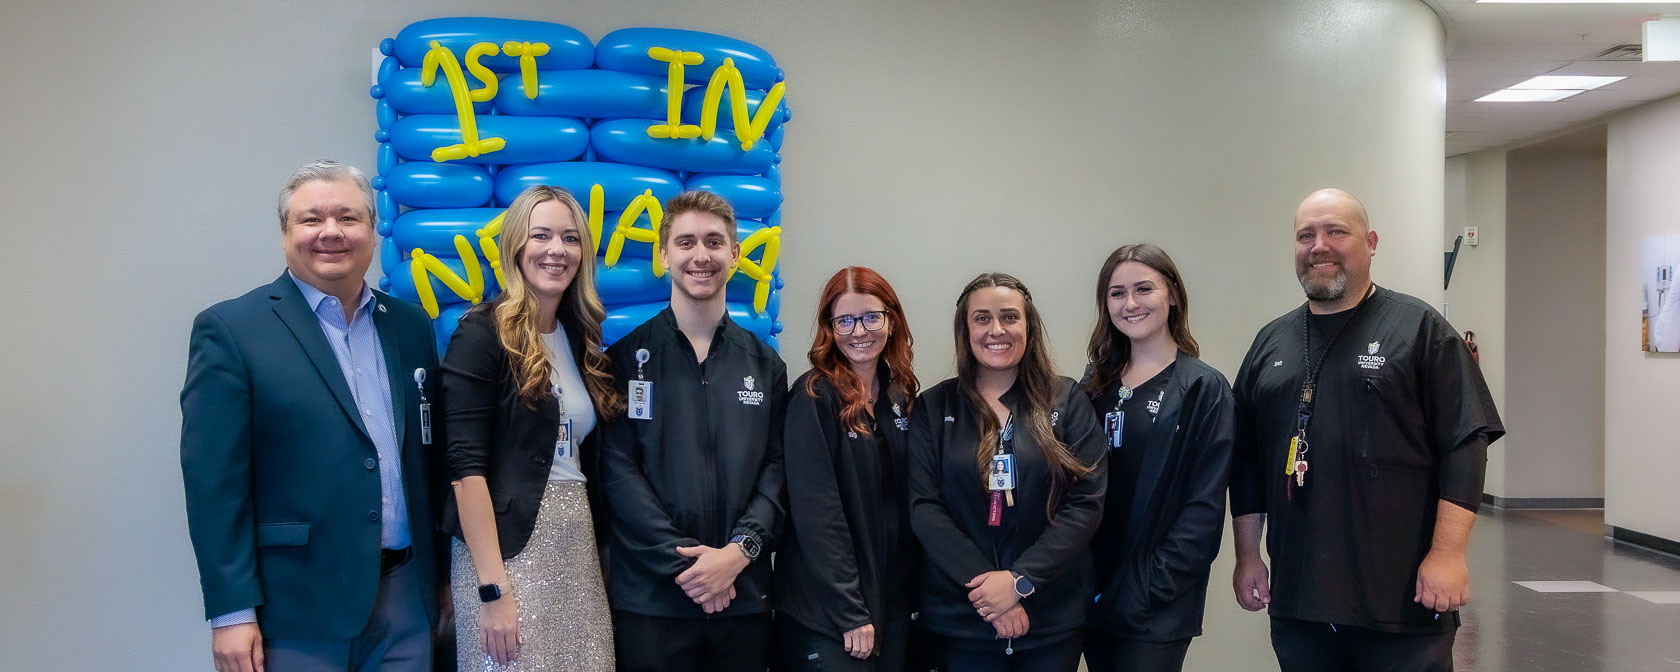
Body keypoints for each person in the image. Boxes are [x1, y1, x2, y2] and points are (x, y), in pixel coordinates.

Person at [180, 160, 443, 672]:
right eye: (311, 219)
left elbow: (426, 458)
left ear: (372, 231)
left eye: (348, 218)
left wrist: (440, 581)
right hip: (294, 609)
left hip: (406, 600)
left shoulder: (410, 326)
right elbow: (214, 484)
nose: (331, 232)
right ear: (284, 234)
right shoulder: (232, 330)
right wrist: (231, 612)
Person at [1229, 188, 1505, 671]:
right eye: (1306, 235)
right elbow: (1247, 460)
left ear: (1370, 242)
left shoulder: (1420, 330)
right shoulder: (1272, 341)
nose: (1319, 245)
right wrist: (1248, 556)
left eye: (1336, 231)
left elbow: (1465, 445)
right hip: (1301, 596)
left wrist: (1448, 556)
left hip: (1402, 596)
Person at [600, 190, 788, 672]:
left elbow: (777, 471)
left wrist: (736, 555)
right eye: (685, 242)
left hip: (743, 597)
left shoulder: (766, 366)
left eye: (713, 241)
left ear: (735, 254)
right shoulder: (622, 361)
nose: (700, 255)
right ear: (663, 256)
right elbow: (618, 476)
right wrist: (691, 569)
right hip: (653, 602)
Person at [439, 186, 619, 671]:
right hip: (505, 553)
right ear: (516, 246)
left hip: (576, 543)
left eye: (569, 238)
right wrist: (492, 588)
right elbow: (464, 469)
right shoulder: (480, 332)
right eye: (541, 235)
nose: (556, 250)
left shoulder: (581, 336)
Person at [908, 272, 1107, 672]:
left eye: (1009, 317)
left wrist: (1020, 581)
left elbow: (1086, 502)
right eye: (982, 318)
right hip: (962, 619)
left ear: (1028, 327)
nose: (997, 330)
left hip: (1051, 616)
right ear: (965, 331)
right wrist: (991, 590)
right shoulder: (933, 407)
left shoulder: (1068, 400)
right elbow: (924, 507)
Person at [1080, 244, 1233, 672]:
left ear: (1172, 296)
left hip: (1155, 601)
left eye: (1143, 288)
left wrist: (1149, 587)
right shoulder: (1093, 385)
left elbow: (1203, 509)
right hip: (1093, 591)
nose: (1130, 303)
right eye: (1116, 292)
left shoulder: (1204, 389)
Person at [774, 267, 921, 672]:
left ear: (891, 322)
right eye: (845, 320)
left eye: (872, 317)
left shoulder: (900, 394)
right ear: (830, 329)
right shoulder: (813, 397)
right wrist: (850, 610)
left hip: (892, 600)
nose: (860, 331)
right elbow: (818, 515)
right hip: (829, 610)